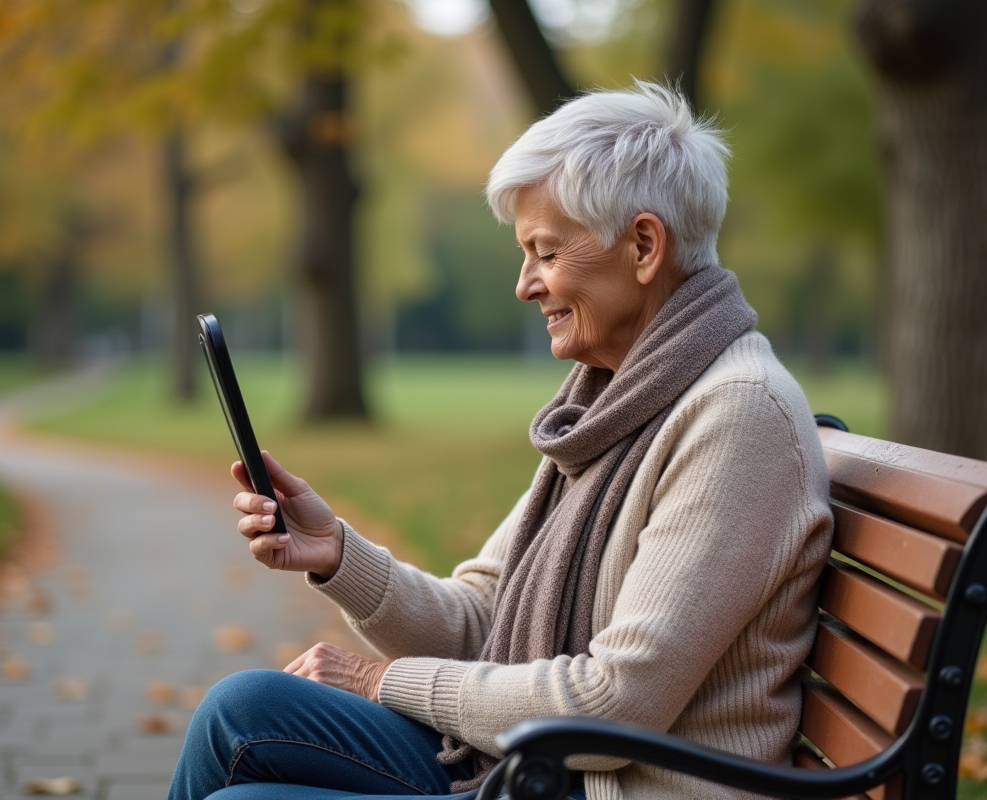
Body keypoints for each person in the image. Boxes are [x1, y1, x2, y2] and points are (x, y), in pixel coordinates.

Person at [168, 81, 833, 800]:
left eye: (544, 253)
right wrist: (337, 555)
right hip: (545, 770)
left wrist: (382, 682)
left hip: (618, 787)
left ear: (644, 245)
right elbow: (482, 618)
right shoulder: (617, 402)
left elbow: (617, 699)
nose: (525, 285)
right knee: (237, 710)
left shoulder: (735, 416)